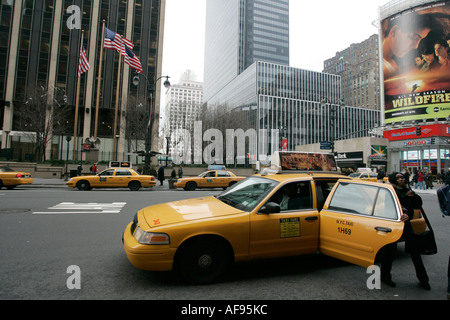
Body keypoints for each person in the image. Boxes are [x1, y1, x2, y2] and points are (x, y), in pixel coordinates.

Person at [381, 172, 431, 290]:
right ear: (393, 180)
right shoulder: (390, 190)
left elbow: (417, 204)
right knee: (390, 252)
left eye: (402, 177)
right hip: (393, 224)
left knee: (415, 252)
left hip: (406, 225)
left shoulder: (407, 190)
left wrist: (413, 196)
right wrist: (405, 212)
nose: (401, 180)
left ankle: (423, 279)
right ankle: (385, 276)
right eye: (398, 178)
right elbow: (394, 205)